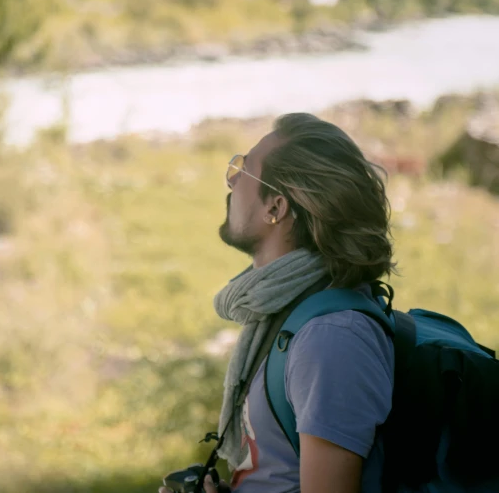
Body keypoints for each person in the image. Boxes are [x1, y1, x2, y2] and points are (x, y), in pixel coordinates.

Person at [160, 113, 397, 493]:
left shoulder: (329, 339)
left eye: (245, 170)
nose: (232, 180)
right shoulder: (286, 309)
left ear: (276, 207)